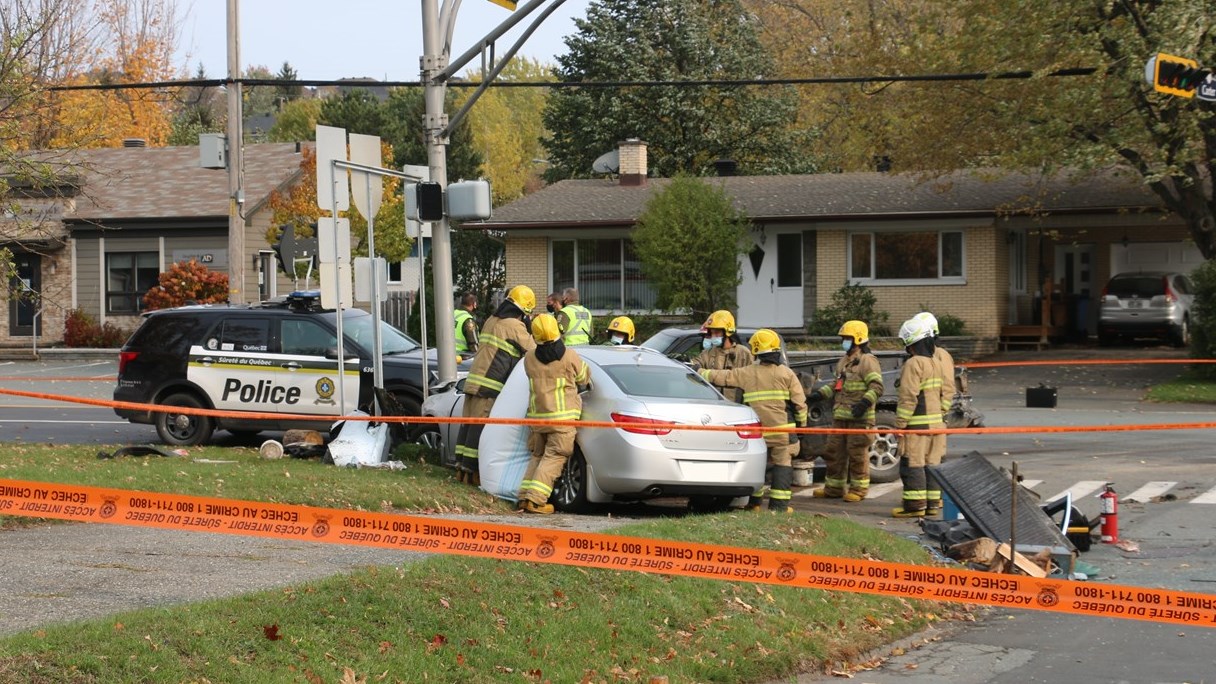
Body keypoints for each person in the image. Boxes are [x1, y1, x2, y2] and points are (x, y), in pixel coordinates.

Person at [699, 329, 807, 513]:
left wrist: (699, 372)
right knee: (782, 466)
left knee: (759, 467)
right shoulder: (787, 374)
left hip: (758, 433)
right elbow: (800, 404)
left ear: (756, 351)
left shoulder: (747, 372)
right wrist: (802, 428)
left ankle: (754, 504)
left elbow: (721, 377)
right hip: (783, 432)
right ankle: (779, 508)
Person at [454, 285, 537, 486]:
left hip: (474, 380)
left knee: (468, 425)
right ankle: (473, 473)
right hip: (490, 385)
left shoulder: (491, 320)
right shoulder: (514, 326)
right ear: (523, 311)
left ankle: (460, 470)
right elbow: (534, 350)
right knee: (480, 429)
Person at [516, 314, 592, 514]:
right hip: (562, 421)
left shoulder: (529, 358)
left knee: (538, 456)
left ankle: (524, 497)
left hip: (537, 419)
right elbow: (584, 376)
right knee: (555, 457)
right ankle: (536, 501)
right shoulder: (569, 356)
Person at [811, 320, 883, 502]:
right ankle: (834, 489)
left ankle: (858, 491)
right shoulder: (844, 361)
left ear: (858, 339)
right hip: (840, 417)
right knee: (834, 452)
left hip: (860, 419)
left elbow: (877, 387)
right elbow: (837, 384)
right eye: (843, 338)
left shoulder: (868, 361)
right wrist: (819, 394)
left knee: (857, 454)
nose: (844, 341)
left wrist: (863, 404)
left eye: (847, 338)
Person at [892, 316, 946, 518]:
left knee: (913, 465)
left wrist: (900, 425)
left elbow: (908, 397)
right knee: (932, 465)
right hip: (937, 425)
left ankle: (914, 506)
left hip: (917, 427)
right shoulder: (935, 362)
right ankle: (932, 505)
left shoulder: (913, 364)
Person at [695, 310, 752, 403]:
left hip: (736, 408)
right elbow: (695, 364)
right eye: (712, 333)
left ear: (728, 332)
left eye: (717, 333)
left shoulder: (743, 353)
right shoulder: (708, 353)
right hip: (714, 406)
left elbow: (751, 382)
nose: (713, 336)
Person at [453, 293, 479, 358]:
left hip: (448, 355)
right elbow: (473, 344)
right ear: (474, 304)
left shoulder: (453, 313)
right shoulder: (468, 320)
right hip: (463, 358)